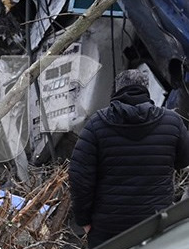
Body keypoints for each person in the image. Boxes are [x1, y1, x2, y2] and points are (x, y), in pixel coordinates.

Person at [70, 69, 189, 247]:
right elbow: (183, 160)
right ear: (146, 89)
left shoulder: (96, 125)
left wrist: (83, 220)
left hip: (108, 229)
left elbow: (79, 178)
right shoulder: (171, 122)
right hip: (156, 224)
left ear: (117, 89)